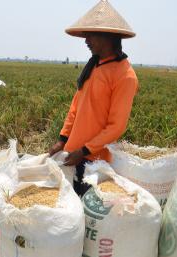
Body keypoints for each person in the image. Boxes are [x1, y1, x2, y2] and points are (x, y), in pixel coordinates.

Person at [48, 0, 139, 196]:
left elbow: (116, 126)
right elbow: (75, 108)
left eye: (90, 35)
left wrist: (84, 151)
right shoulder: (93, 67)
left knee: (85, 211)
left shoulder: (124, 75)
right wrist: (62, 140)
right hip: (73, 154)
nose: (86, 40)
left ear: (108, 36)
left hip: (93, 162)